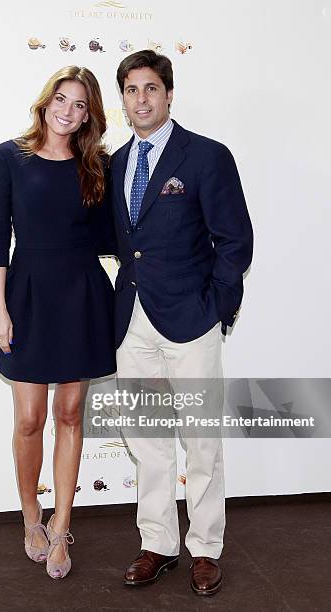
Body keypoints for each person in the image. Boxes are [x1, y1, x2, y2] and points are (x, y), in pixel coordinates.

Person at [110, 50, 253, 595]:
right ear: (123, 99)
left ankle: (206, 548)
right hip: (133, 323)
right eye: (131, 90)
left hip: (191, 320)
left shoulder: (206, 157)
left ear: (169, 94)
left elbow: (235, 240)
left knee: (201, 440)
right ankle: (157, 543)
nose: (141, 99)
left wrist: (215, 307)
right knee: (146, 438)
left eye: (151, 89)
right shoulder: (118, 164)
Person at [0, 65, 116, 579]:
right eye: (61, 99)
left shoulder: (95, 164)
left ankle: (62, 528)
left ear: (90, 115)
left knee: (69, 414)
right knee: (28, 419)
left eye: (80, 104)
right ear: (45, 102)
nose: (68, 110)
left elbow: (113, 238)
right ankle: (31, 518)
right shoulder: (8, 158)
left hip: (81, 294)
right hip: (29, 294)